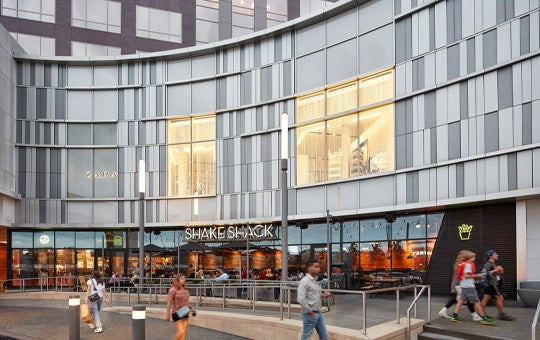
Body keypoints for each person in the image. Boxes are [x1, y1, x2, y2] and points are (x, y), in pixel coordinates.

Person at [450, 250, 496, 325]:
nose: (474, 258)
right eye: (473, 257)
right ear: (469, 258)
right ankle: (484, 317)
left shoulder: (462, 264)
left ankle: (455, 315)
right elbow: (466, 275)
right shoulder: (468, 264)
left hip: (464, 285)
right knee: (477, 301)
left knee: (461, 301)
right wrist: (478, 276)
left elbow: (463, 276)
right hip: (469, 286)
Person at [439, 250, 482, 321]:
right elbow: (462, 276)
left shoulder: (458, 263)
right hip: (460, 284)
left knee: (463, 299)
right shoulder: (464, 264)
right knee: (464, 300)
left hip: (458, 284)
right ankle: (475, 315)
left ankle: (444, 310)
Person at [297, 259, 331, 340]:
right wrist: (310, 312)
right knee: (306, 336)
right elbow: (301, 299)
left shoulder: (314, 280)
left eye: (319, 267)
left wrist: (322, 295)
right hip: (310, 314)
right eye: (316, 267)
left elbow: (313, 295)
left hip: (318, 312)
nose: (318, 269)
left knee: (324, 335)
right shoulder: (304, 281)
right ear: (309, 268)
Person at [481, 250, 514, 321]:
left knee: (486, 299)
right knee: (500, 298)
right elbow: (484, 273)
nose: (497, 255)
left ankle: (482, 314)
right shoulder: (488, 264)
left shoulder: (493, 264)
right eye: (495, 254)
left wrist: (498, 271)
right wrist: (496, 270)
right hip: (492, 284)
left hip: (492, 284)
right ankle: (501, 314)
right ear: (490, 256)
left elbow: (492, 273)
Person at [166, 274, 196, 340]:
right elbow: (169, 302)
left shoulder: (185, 289)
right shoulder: (173, 290)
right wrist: (168, 314)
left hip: (185, 312)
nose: (184, 280)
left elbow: (186, 302)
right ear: (177, 280)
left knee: (184, 332)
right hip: (176, 312)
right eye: (182, 279)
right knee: (181, 331)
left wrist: (192, 309)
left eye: (184, 278)